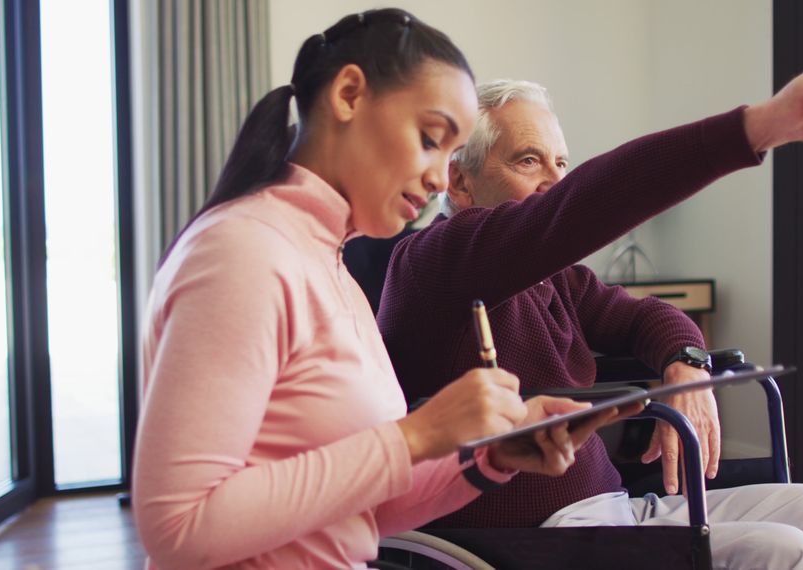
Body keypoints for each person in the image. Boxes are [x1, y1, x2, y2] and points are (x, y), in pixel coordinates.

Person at [131, 9, 624, 569]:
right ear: (348, 95)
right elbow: (180, 526)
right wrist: (418, 434)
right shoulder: (241, 253)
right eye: (430, 139)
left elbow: (360, 512)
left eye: (450, 153)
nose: (442, 178)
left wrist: (487, 460)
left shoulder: (329, 264)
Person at [379, 64, 803, 569]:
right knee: (785, 552)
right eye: (529, 161)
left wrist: (687, 363)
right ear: (459, 182)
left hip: (614, 510)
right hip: (534, 538)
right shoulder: (434, 261)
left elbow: (648, 316)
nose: (556, 181)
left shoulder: (558, 278)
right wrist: (763, 125)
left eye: (562, 163)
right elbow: (583, 203)